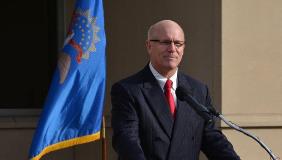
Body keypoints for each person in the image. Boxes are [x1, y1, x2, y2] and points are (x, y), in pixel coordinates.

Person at [111, 20, 240, 160]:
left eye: (178, 43)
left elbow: (214, 141)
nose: (172, 48)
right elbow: (127, 141)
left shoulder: (198, 90)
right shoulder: (128, 90)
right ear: (149, 46)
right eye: (166, 42)